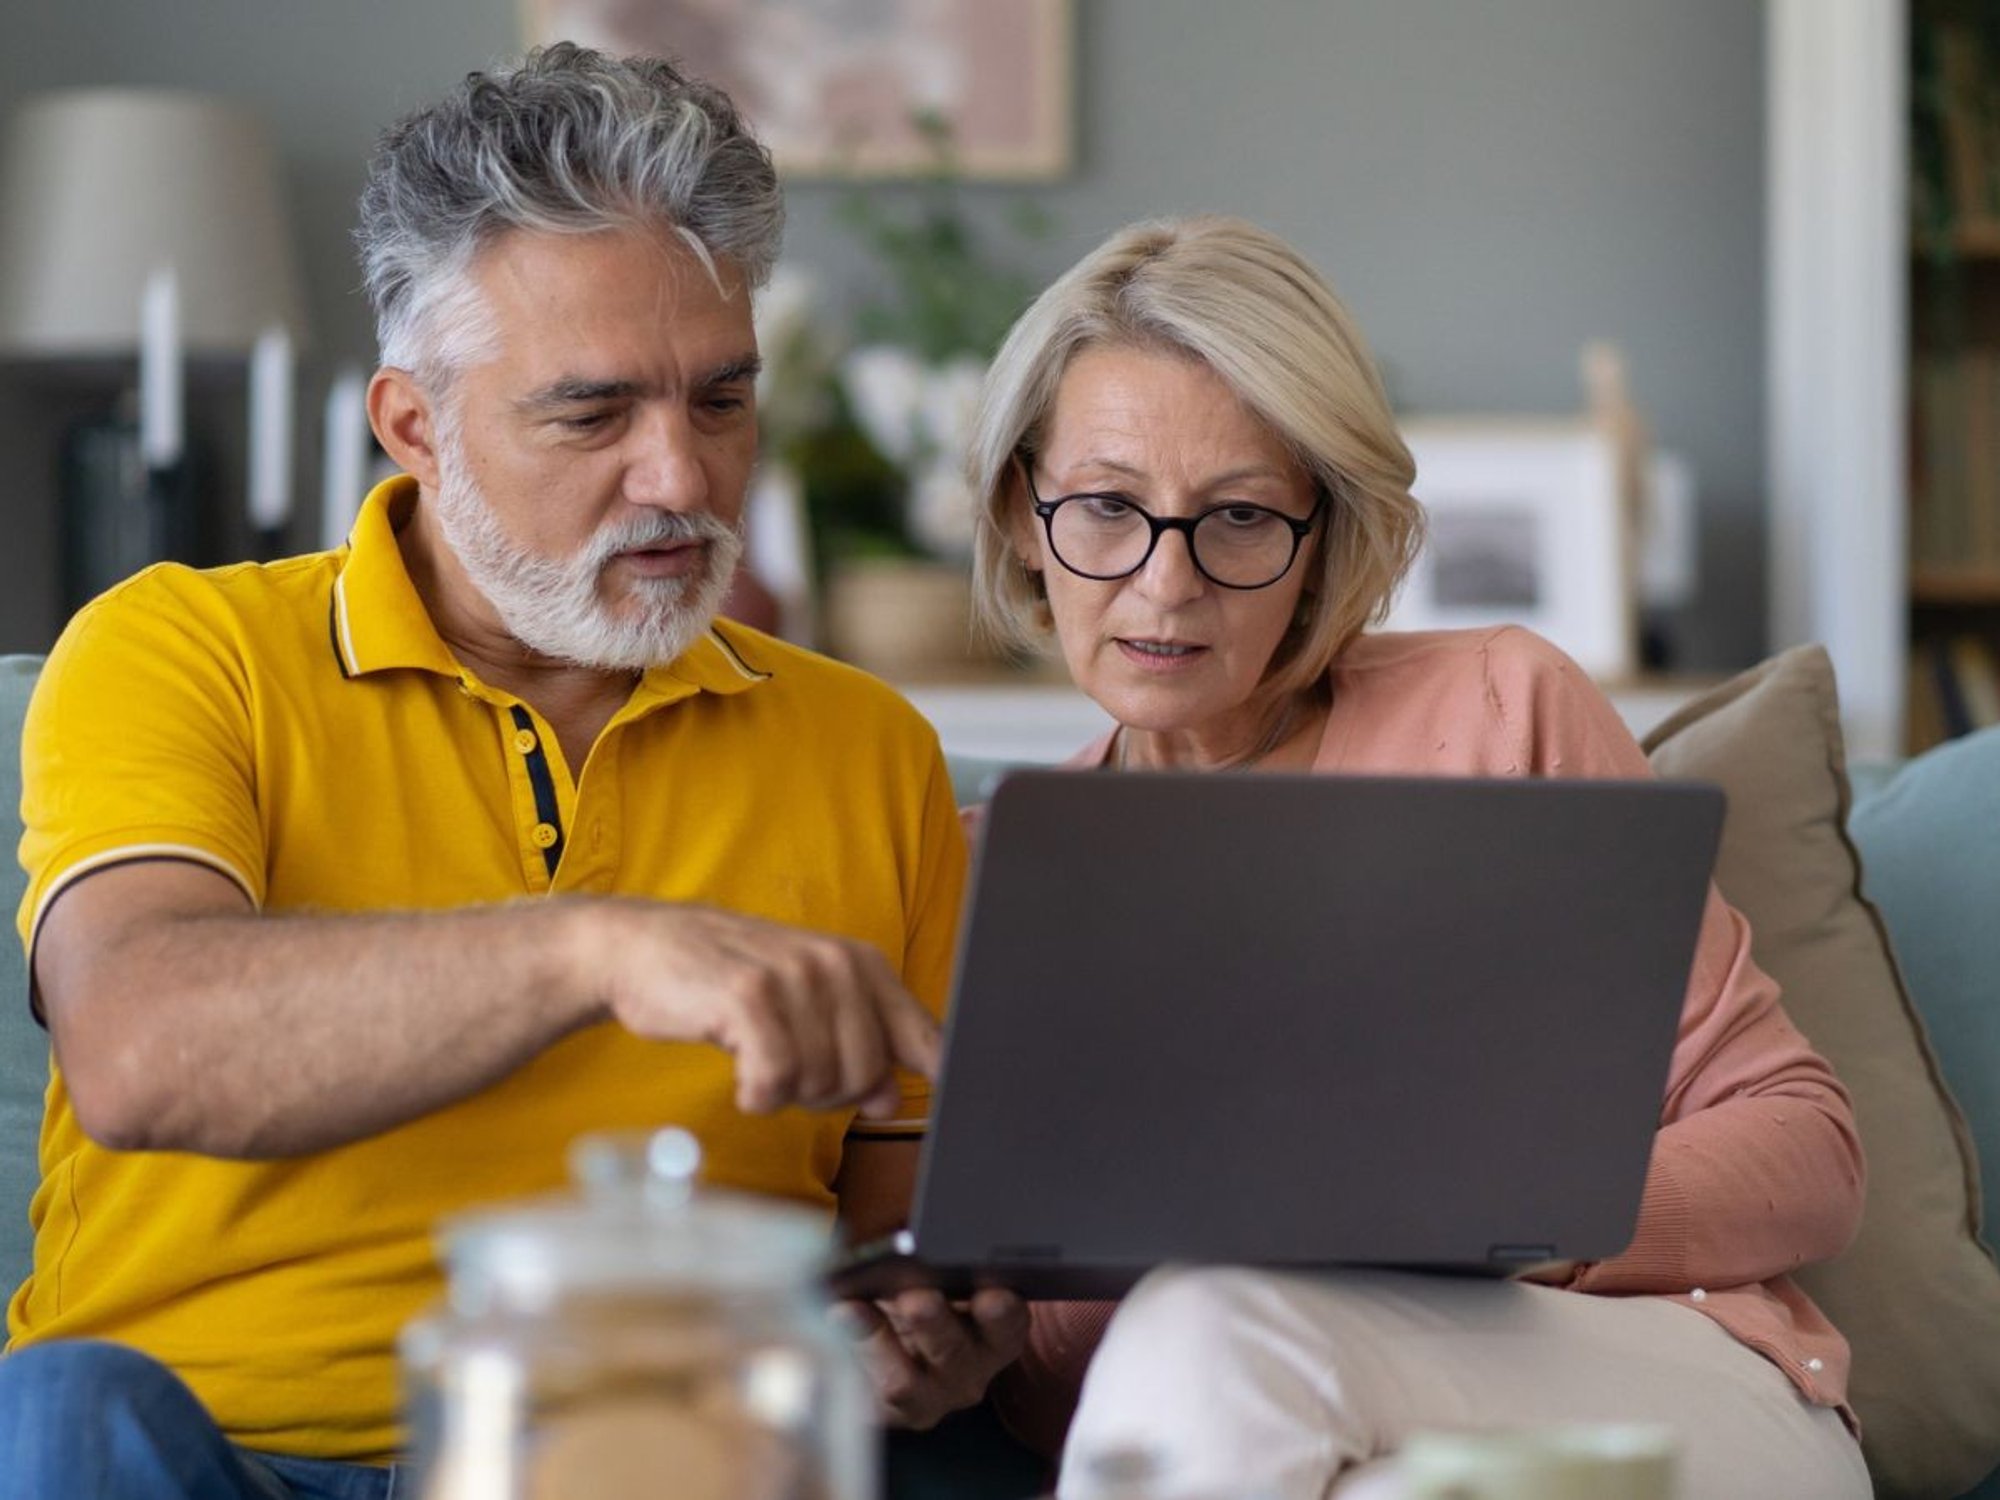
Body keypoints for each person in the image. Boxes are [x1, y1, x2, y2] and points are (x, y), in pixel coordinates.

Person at [0, 46, 1025, 1500]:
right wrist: (596, 951)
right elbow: (141, 1050)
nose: (680, 477)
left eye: (721, 402)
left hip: (646, 1453)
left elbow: (896, 1234)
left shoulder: (867, 749)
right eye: (593, 415)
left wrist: (921, 1341)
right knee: (57, 1418)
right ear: (414, 428)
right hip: (216, 1452)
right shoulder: (180, 650)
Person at [963, 215, 1872, 1499]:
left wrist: (1496, 1222)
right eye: (1106, 508)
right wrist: (993, 1330)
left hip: (1659, 1374)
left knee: (1218, 1325)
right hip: (1286, 1424)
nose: (1164, 587)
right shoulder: (996, 871)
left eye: (1234, 519)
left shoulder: (1500, 709)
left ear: (1321, 534)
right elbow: (1079, 1403)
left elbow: (1809, 1150)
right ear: (1020, 510)